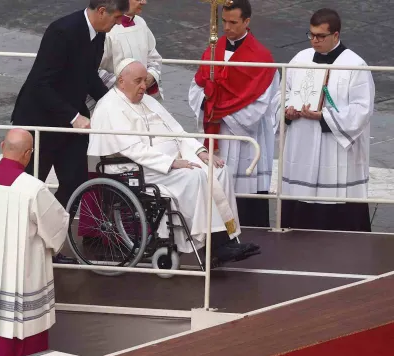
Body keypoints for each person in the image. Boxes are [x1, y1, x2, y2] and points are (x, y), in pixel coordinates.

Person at [88, 59, 259, 265]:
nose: (144, 86)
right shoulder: (109, 107)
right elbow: (132, 149)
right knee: (195, 176)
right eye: (138, 81)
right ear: (122, 81)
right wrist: (170, 163)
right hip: (140, 168)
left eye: (145, 80)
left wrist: (200, 151)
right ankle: (213, 244)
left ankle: (227, 237)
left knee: (219, 171)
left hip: (170, 161)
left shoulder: (147, 101)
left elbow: (177, 131)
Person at [0, 129, 69, 356]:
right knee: (18, 333)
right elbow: (57, 227)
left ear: (2, 146)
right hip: (17, 280)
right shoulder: (33, 189)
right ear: (28, 154)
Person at [11, 0, 129, 208]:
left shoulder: (99, 34)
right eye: (117, 17)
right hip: (40, 121)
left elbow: (89, 76)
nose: (119, 23)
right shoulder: (61, 31)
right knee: (30, 184)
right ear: (102, 11)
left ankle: (52, 226)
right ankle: (28, 233)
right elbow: (41, 84)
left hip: (70, 120)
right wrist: (74, 117)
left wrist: (117, 103)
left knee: (77, 182)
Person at [188, 0, 280, 227]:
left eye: (233, 22)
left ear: (247, 22)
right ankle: (217, 231)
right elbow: (197, 85)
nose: (226, 28)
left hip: (243, 137)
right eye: (224, 22)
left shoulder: (261, 57)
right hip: (216, 131)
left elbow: (261, 103)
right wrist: (208, 103)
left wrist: (218, 110)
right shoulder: (214, 48)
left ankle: (250, 229)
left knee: (243, 189)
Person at [281, 8, 375, 232]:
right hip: (302, 142)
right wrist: (287, 110)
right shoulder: (300, 59)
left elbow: (362, 110)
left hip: (334, 149)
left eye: (320, 36)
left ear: (336, 35)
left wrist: (324, 116)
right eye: (311, 35)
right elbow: (283, 93)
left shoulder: (355, 65)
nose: (314, 40)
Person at [85, 0, 163, 112]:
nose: (144, 2)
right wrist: (124, 84)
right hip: (113, 99)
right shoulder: (105, 28)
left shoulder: (141, 23)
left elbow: (153, 57)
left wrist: (151, 75)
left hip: (141, 96)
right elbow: (92, 68)